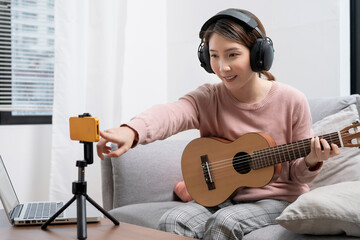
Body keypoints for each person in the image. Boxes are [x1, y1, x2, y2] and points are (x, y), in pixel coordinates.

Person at [97, 8, 340, 240]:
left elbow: (298, 176)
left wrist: (311, 160)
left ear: (258, 55)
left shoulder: (291, 100)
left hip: (277, 200)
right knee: (172, 220)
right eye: (214, 56)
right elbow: (171, 114)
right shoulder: (208, 97)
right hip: (221, 196)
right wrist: (131, 130)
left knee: (227, 221)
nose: (222, 68)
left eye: (232, 55)